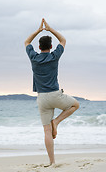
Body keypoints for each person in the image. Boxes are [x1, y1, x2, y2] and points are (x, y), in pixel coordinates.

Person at [25, 18, 79, 166]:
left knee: (47, 131)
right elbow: (63, 40)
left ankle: (52, 163)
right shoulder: (54, 56)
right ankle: (57, 121)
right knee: (75, 105)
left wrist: (38, 30)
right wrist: (50, 29)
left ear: (39, 46)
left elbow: (26, 42)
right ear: (50, 46)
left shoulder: (34, 57)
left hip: (42, 98)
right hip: (56, 94)